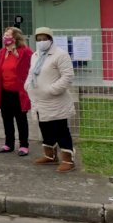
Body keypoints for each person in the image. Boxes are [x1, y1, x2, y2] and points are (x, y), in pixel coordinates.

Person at [25, 27, 76, 172]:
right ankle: (50, 156)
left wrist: (51, 90)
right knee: (45, 128)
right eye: (38, 39)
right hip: (39, 101)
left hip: (55, 101)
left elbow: (68, 76)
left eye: (44, 39)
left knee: (60, 129)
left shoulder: (60, 55)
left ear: (51, 39)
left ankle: (68, 159)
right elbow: (31, 73)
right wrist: (27, 85)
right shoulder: (35, 55)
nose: (41, 42)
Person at [0, 27, 33, 156]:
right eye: (4, 35)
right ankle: (8, 143)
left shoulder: (25, 52)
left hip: (19, 92)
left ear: (15, 38)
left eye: (8, 35)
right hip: (5, 91)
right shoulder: (2, 52)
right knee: (7, 118)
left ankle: (24, 145)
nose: (5, 37)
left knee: (21, 119)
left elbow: (29, 70)